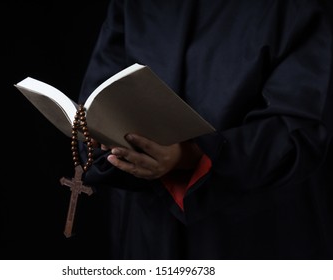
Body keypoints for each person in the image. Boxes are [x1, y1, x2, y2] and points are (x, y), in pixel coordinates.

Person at [76, 0, 333, 259]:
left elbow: (297, 130)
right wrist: (103, 134)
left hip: (252, 228)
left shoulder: (294, 8)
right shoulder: (134, 6)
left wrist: (191, 156)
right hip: (148, 227)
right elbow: (99, 95)